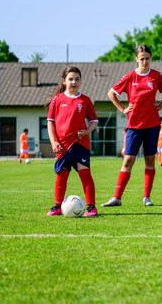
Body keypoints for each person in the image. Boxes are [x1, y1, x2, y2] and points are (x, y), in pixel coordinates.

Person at [102, 45, 162, 207]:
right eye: (142, 59)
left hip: (152, 125)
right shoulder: (130, 76)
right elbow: (111, 93)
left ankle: (147, 197)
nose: (145, 61)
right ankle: (117, 197)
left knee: (149, 160)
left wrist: (160, 105)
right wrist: (123, 109)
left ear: (151, 58)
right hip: (133, 125)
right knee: (128, 160)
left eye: (147, 58)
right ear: (136, 59)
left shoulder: (156, 76)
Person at [46, 66, 99, 217]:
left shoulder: (85, 100)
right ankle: (57, 206)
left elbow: (94, 121)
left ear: (81, 81)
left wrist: (87, 131)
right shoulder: (57, 99)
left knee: (85, 174)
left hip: (80, 143)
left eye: (77, 79)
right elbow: (50, 122)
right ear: (64, 81)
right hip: (61, 145)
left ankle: (91, 207)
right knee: (61, 175)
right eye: (70, 79)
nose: (74, 82)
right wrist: (53, 141)